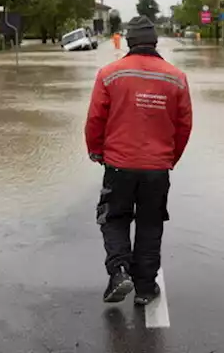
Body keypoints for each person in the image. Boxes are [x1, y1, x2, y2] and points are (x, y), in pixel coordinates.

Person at [84, 16, 193, 306]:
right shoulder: (176, 77)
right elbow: (184, 126)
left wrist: (96, 151)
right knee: (150, 223)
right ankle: (145, 289)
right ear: (155, 41)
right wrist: (170, 158)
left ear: (128, 42)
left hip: (119, 164)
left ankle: (119, 272)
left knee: (114, 217)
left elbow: (96, 119)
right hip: (157, 168)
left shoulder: (109, 74)